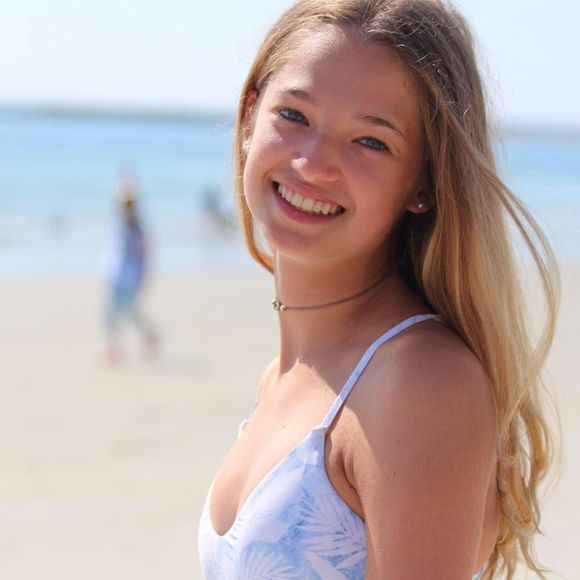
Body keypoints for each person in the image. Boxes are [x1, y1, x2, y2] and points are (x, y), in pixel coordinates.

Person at [198, 1, 560, 578]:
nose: (313, 163)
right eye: (293, 114)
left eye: (370, 142)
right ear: (249, 118)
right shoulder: (287, 375)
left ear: (424, 182)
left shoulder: (419, 383)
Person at [103, 176, 160, 364]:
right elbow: (115, 250)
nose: (125, 208)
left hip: (130, 278)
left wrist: (142, 277)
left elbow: (143, 255)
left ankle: (144, 336)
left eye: (128, 204)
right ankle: (116, 346)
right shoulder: (119, 224)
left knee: (128, 313)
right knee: (114, 313)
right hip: (116, 275)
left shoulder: (136, 229)